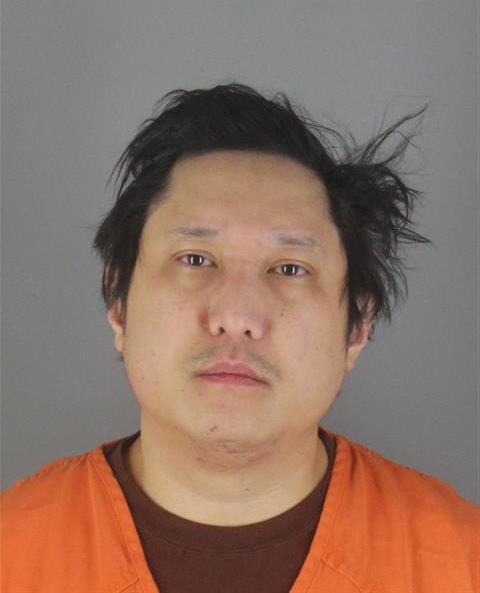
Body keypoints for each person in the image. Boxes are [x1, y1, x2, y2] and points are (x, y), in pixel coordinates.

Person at [2, 83, 477, 593]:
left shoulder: (462, 560)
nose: (237, 317)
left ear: (358, 324)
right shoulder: (13, 552)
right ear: (118, 301)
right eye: (195, 259)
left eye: (290, 268)